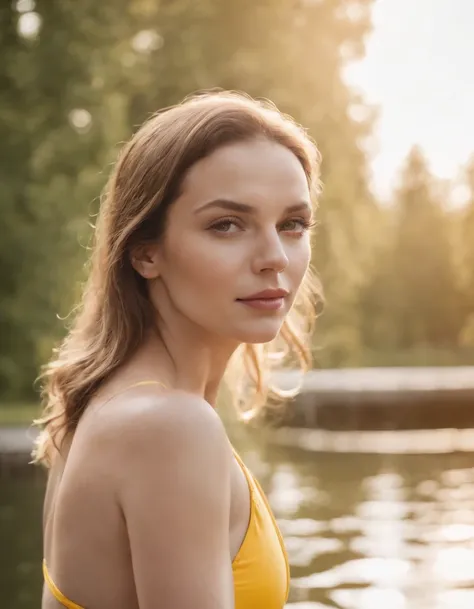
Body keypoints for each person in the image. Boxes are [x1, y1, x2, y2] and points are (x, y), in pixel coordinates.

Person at [33, 90, 322, 609]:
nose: (274, 257)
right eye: (226, 225)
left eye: (292, 224)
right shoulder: (167, 426)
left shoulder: (108, 404)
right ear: (147, 252)